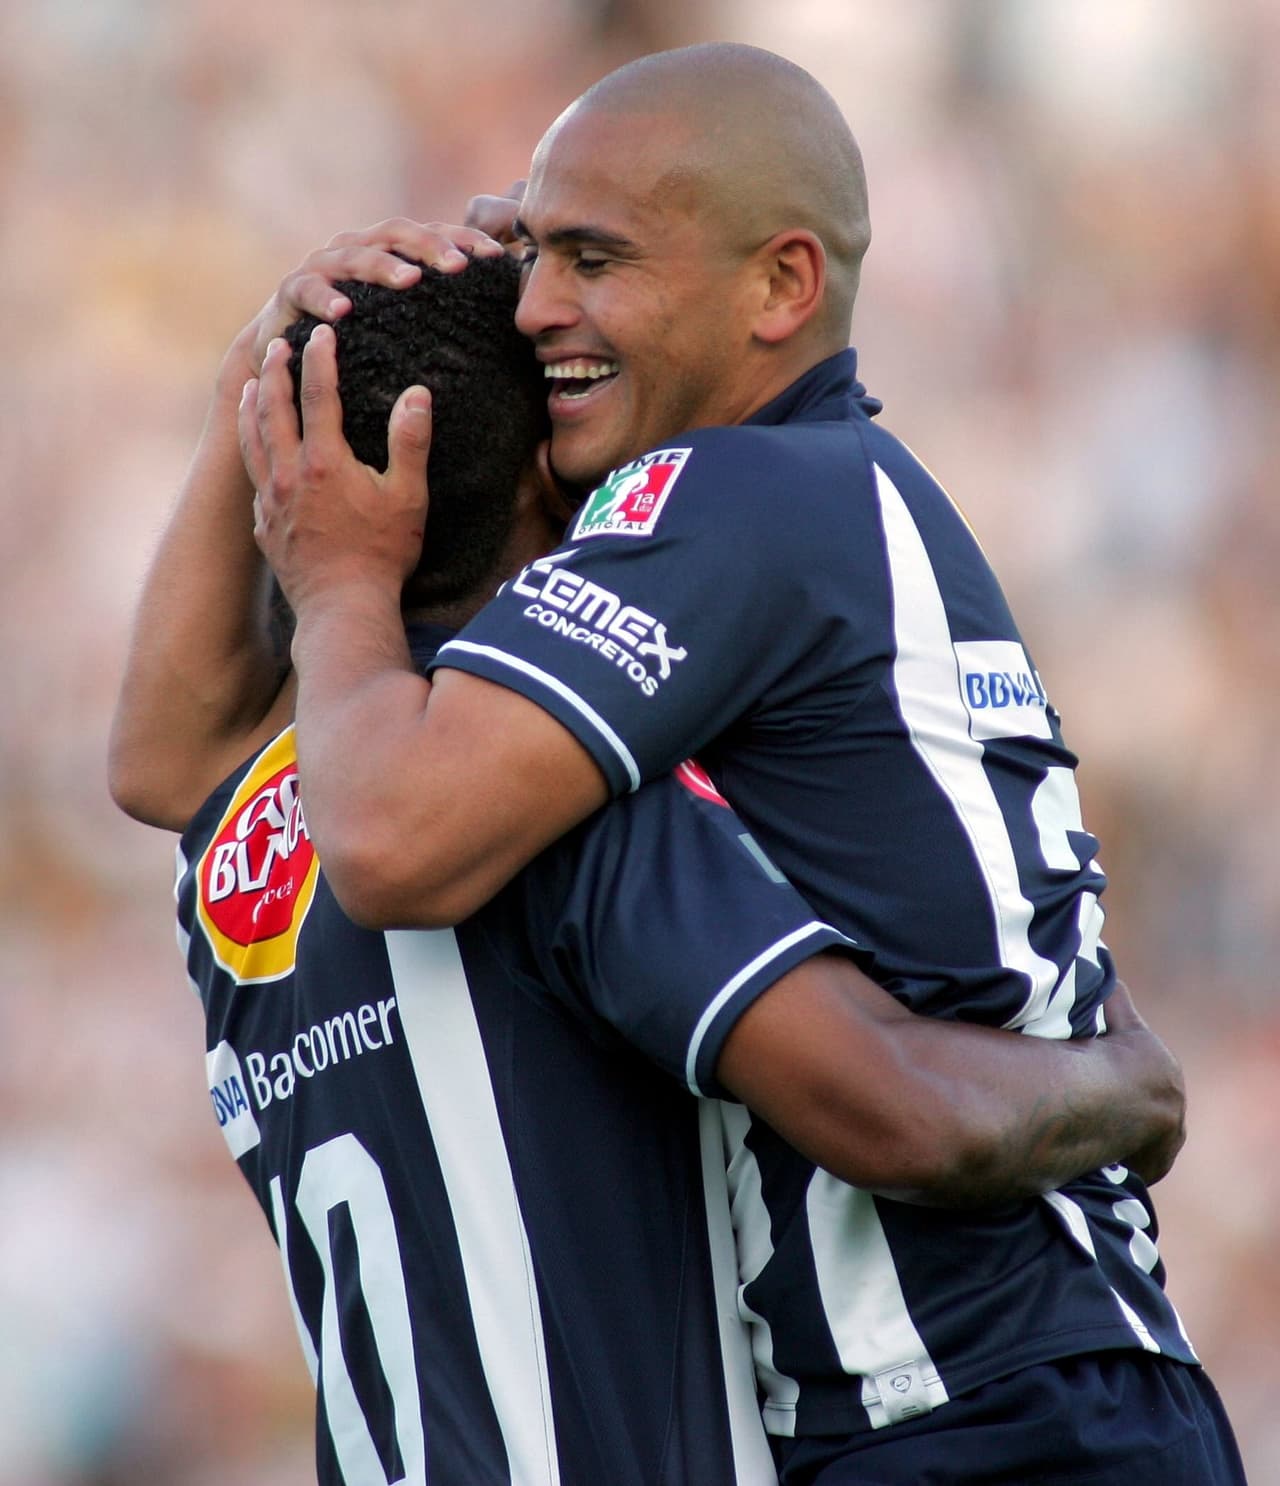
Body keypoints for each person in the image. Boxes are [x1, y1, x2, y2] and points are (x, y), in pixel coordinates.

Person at [232, 43, 1243, 1485]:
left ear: (781, 288)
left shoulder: (727, 491)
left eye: (592, 254)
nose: (535, 308)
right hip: (1014, 1400)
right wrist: (1120, 1084)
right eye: (528, 249)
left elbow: (385, 836)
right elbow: (164, 759)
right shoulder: (827, 501)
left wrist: (336, 581)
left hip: (989, 1417)